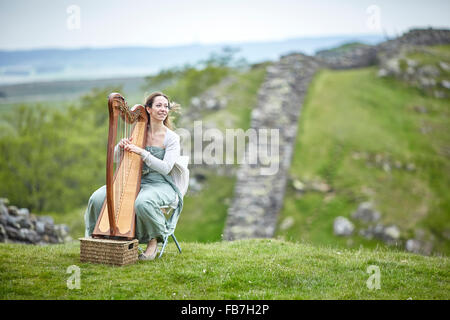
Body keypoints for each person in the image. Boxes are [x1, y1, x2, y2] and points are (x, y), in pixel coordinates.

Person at [84, 92, 184, 261]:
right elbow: (115, 159)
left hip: (161, 184)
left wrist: (142, 153)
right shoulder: (138, 130)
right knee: (97, 198)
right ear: (148, 109)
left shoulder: (172, 138)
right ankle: (97, 239)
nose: (163, 109)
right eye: (158, 105)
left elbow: (166, 168)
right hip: (137, 182)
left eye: (166, 106)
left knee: (143, 202)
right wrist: (120, 147)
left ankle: (154, 241)